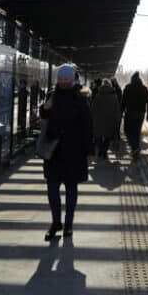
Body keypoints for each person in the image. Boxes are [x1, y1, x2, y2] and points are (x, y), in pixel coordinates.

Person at [39, 64, 93, 240]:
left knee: (71, 189)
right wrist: (45, 108)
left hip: (74, 151)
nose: (63, 82)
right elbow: (44, 117)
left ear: (72, 80)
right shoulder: (52, 96)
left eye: (66, 80)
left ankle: (68, 223)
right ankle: (56, 222)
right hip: (54, 151)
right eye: (61, 79)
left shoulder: (80, 97)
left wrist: (89, 151)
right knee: (52, 188)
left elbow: (88, 126)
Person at [121, 72, 148, 158]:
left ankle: (134, 148)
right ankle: (136, 148)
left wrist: (121, 112)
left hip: (130, 113)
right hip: (140, 114)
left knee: (127, 130)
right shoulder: (144, 88)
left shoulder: (128, 87)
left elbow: (123, 101)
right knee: (137, 131)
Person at [91, 79, 120, 160]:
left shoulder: (97, 96)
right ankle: (104, 151)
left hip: (98, 120)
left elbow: (93, 109)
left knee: (99, 136)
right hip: (110, 120)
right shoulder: (114, 97)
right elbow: (117, 110)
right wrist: (117, 119)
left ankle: (101, 150)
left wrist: (93, 118)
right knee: (108, 137)